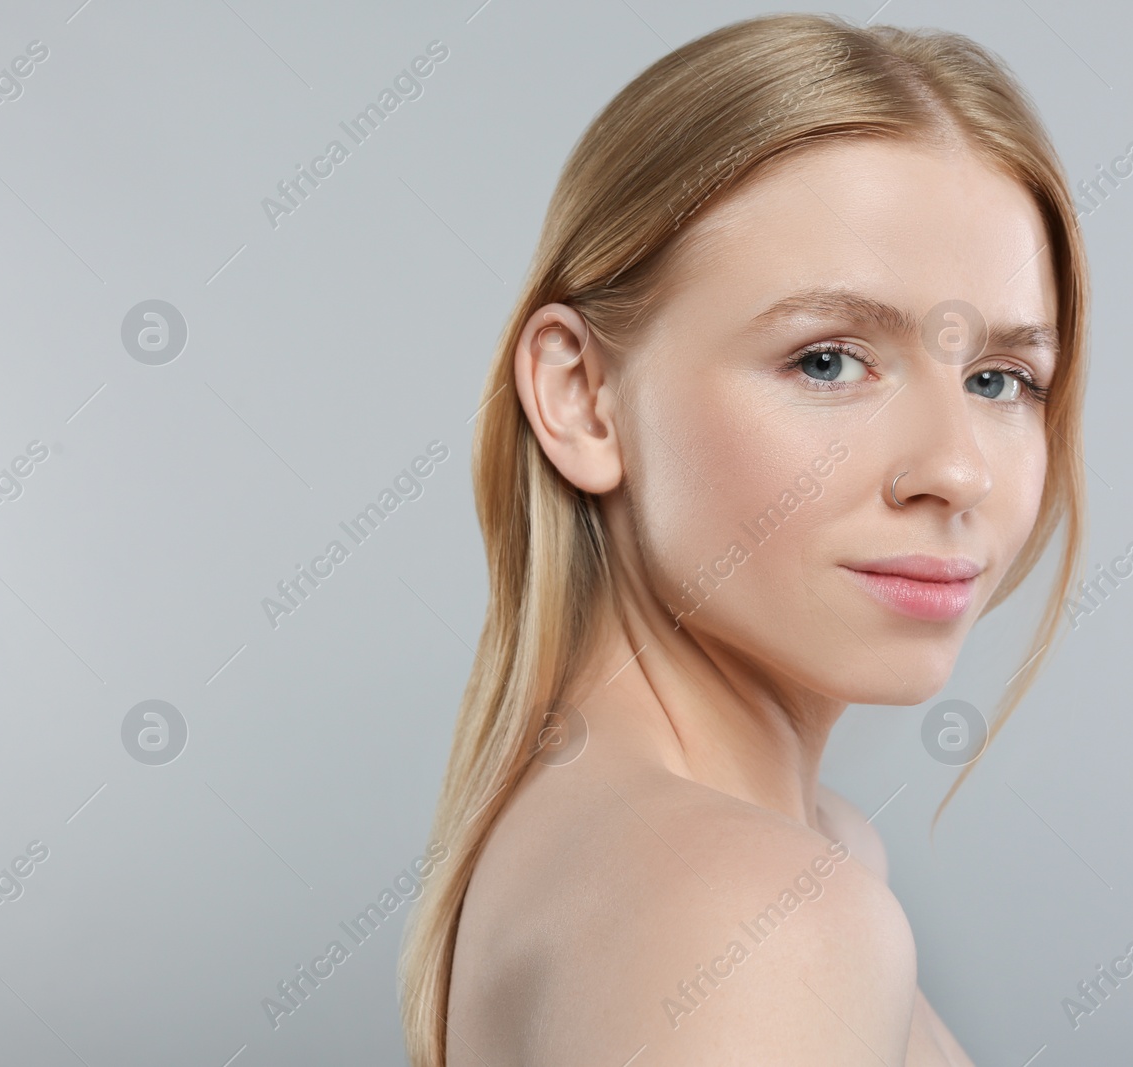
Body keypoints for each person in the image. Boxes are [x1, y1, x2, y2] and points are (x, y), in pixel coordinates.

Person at [399, 12, 1089, 1065]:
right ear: (581, 396)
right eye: (827, 360)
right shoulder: (751, 915)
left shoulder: (779, 848)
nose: (956, 469)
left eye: (999, 378)